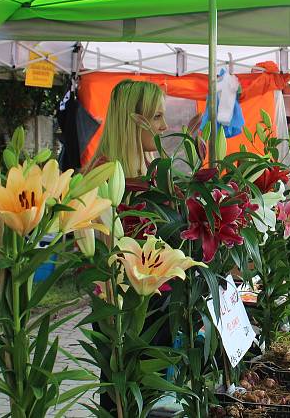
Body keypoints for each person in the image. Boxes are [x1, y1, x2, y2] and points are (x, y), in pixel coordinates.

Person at [84, 79, 168, 413]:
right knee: (122, 396)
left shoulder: (147, 167)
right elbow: (100, 248)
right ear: (135, 120)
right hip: (118, 302)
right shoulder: (104, 172)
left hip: (148, 298)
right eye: (157, 116)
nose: (164, 126)